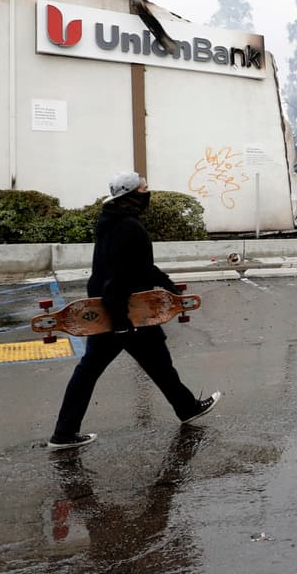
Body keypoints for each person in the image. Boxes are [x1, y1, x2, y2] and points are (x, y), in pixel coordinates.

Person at [48, 172, 220, 450]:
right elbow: (118, 275)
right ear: (131, 195)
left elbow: (139, 266)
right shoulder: (127, 226)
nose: (148, 192)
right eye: (144, 189)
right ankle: (64, 434)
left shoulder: (114, 221)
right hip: (127, 311)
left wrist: (168, 287)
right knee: (147, 363)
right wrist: (120, 321)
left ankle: (65, 433)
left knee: (150, 363)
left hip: (119, 308)